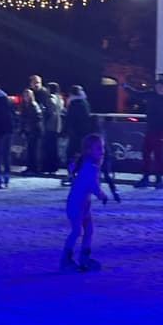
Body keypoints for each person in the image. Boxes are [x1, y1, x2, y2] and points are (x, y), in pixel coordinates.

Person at [61, 134, 110, 272]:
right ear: (89, 150)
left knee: (88, 230)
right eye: (99, 148)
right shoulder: (89, 167)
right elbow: (92, 185)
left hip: (83, 205)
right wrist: (102, 196)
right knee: (77, 231)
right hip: (76, 205)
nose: (102, 151)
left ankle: (84, 258)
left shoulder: (90, 165)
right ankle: (66, 259)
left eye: (103, 148)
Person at [125, 79, 163, 190]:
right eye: (158, 87)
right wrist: (127, 88)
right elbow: (138, 94)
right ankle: (146, 177)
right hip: (150, 129)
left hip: (161, 130)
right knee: (146, 153)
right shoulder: (150, 94)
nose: (160, 89)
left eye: (162, 87)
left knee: (159, 155)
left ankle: (159, 179)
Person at [63, 85, 94, 188]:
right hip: (85, 133)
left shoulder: (73, 104)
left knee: (71, 154)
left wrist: (65, 131)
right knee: (83, 154)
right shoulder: (85, 103)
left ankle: (72, 174)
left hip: (75, 134)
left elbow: (70, 119)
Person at [17, 85, 44, 176]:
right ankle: (30, 167)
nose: (26, 97)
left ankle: (34, 168)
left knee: (33, 150)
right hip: (28, 130)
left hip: (33, 131)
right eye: (25, 96)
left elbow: (37, 118)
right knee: (29, 150)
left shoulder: (33, 105)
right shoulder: (25, 106)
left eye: (27, 95)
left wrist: (31, 128)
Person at [41, 80, 65, 177]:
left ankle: (48, 166)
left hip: (50, 125)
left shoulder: (49, 99)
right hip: (58, 125)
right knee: (54, 147)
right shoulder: (60, 99)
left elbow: (49, 112)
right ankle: (54, 166)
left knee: (48, 147)